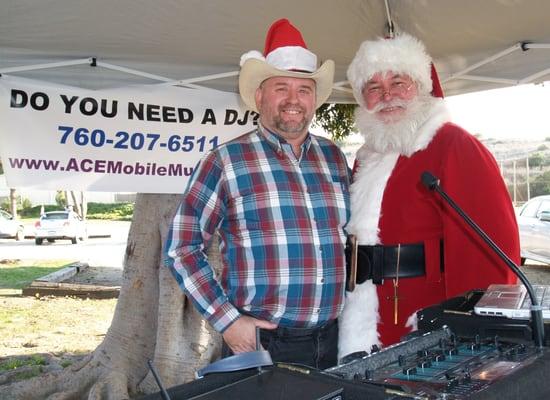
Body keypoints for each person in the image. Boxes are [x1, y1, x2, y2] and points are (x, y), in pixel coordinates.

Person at [164, 18, 350, 370]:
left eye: (304, 90)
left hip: (333, 340)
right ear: (260, 96)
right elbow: (182, 247)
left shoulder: (334, 157)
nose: (294, 100)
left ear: (315, 100)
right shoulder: (225, 161)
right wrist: (227, 321)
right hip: (262, 341)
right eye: (282, 88)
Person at [338, 33, 520, 360]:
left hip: (428, 332)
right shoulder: (366, 157)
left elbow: (490, 257)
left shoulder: (455, 146)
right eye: (373, 88)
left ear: (422, 87)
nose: (387, 96)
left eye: (399, 82)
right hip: (364, 324)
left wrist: (468, 337)